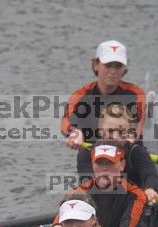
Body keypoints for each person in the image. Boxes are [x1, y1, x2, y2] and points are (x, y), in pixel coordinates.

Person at [61, 40, 146, 170]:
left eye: (117, 66)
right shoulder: (81, 95)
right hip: (92, 158)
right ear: (96, 65)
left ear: (124, 69)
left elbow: (137, 124)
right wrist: (74, 133)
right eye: (108, 65)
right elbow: (66, 122)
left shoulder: (135, 94)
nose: (113, 71)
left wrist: (129, 138)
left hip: (128, 157)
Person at [76, 102, 158, 203]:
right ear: (100, 130)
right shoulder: (86, 155)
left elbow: (150, 176)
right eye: (110, 131)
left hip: (133, 204)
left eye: (121, 132)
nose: (116, 137)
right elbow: (88, 181)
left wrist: (150, 189)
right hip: (100, 205)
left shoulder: (136, 153)